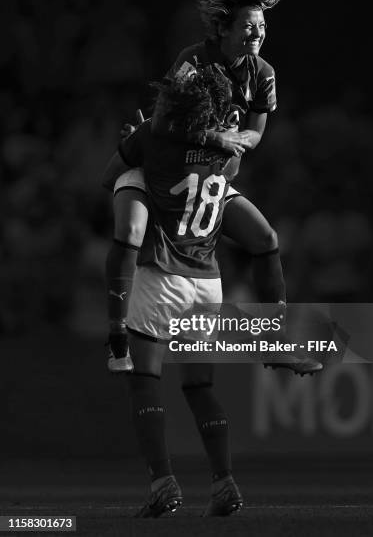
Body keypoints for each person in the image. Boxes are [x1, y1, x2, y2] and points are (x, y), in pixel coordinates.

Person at [103, 0, 322, 375]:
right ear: (224, 28)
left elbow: (256, 133)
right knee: (126, 222)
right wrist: (215, 138)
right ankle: (118, 333)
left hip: (212, 180)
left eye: (262, 25)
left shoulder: (264, 73)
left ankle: (273, 343)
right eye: (248, 25)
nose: (257, 32)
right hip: (172, 174)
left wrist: (237, 139)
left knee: (266, 238)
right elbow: (164, 123)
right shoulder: (193, 59)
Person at [121, 65, 244, 517]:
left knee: (145, 379)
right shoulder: (228, 155)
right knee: (199, 385)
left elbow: (114, 173)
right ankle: (224, 481)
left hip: (161, 273)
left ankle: (162, 482)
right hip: (207, 280)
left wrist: (136, 137)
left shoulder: (154, 138)